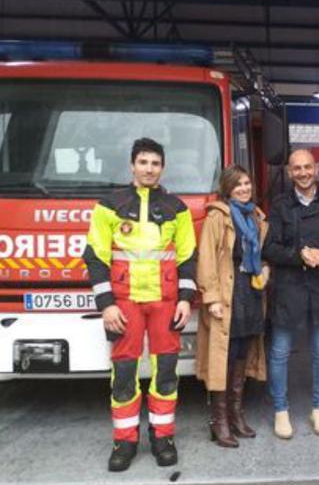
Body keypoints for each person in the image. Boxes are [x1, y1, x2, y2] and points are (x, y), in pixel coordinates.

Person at [83, 137, 197, 472]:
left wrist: (186, 300)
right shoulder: (108, 206)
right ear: (132, 165)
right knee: (124, 374)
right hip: (124, 303)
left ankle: (163, 438)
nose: (149, 169)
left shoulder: (177, 208)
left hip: (165, 304)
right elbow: (95, 257)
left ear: (163, 168)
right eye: (143, 162)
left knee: (166, 373)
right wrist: (106, 304)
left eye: (155, 163)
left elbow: (188, 257)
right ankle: (125, 441)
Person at [262, 149, 319, 439]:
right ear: (289, 173)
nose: (303, 172)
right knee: (280, 352)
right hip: (289, 288)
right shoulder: (279, 206)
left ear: (317, 169)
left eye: (308, 167)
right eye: (297, 168)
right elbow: (269, 248)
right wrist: (299, 255)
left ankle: (318, 409)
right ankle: (281, 411)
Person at [196, 166, 269, 448]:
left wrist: (266, 270)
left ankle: (236, 414)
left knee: (241, 352)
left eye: (247, 183)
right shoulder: (218, 216)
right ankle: (219, 421)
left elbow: (261, 254)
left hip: (250, 293)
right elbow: (207, 260)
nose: (244, 188)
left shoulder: (255, 215)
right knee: (222, 359)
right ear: (227, 189)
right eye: (238, 184)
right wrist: (211, 298)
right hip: (227, 293)